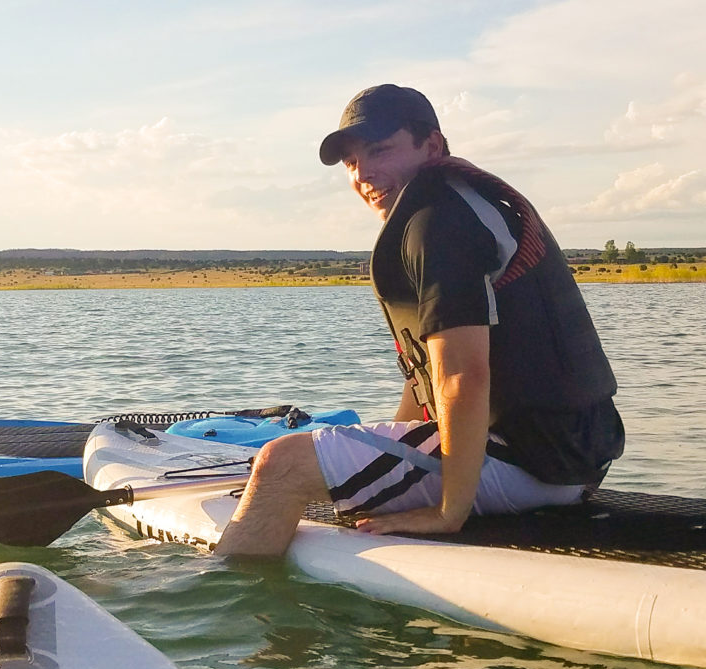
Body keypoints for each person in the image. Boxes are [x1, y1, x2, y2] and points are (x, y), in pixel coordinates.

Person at [214, 84, 624, 555]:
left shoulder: (438, 222)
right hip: (567, 456)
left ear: (431, 145)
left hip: (530, 463)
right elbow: (429, 374)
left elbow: (461, 377)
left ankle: (220, 597)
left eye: (380, 150)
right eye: (351, 162)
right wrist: (392, 445)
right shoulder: (459, 204)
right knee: (320, 454)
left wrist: (448, 512)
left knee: (281, 463)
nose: (364, 174)